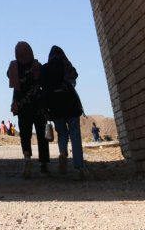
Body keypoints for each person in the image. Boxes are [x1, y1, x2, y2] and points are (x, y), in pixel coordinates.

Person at [41, 45, 86, 179]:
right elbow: (74, 76)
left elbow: (44, 91)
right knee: (75, 135)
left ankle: (63, 153)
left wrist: (45, 109)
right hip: (70, 104)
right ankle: (79, 168)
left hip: (55, 106)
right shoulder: (66, 65)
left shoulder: (45, 68)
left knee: (62, 133)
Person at [7, 41, 50, 178]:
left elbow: (11, 80)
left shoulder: (14, 67)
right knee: (41, 136)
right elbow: (44, 84)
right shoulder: (37, 65)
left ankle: (27, 158)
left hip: (22, 106)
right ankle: (43, 165)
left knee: (25, 134)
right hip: (38, 106)